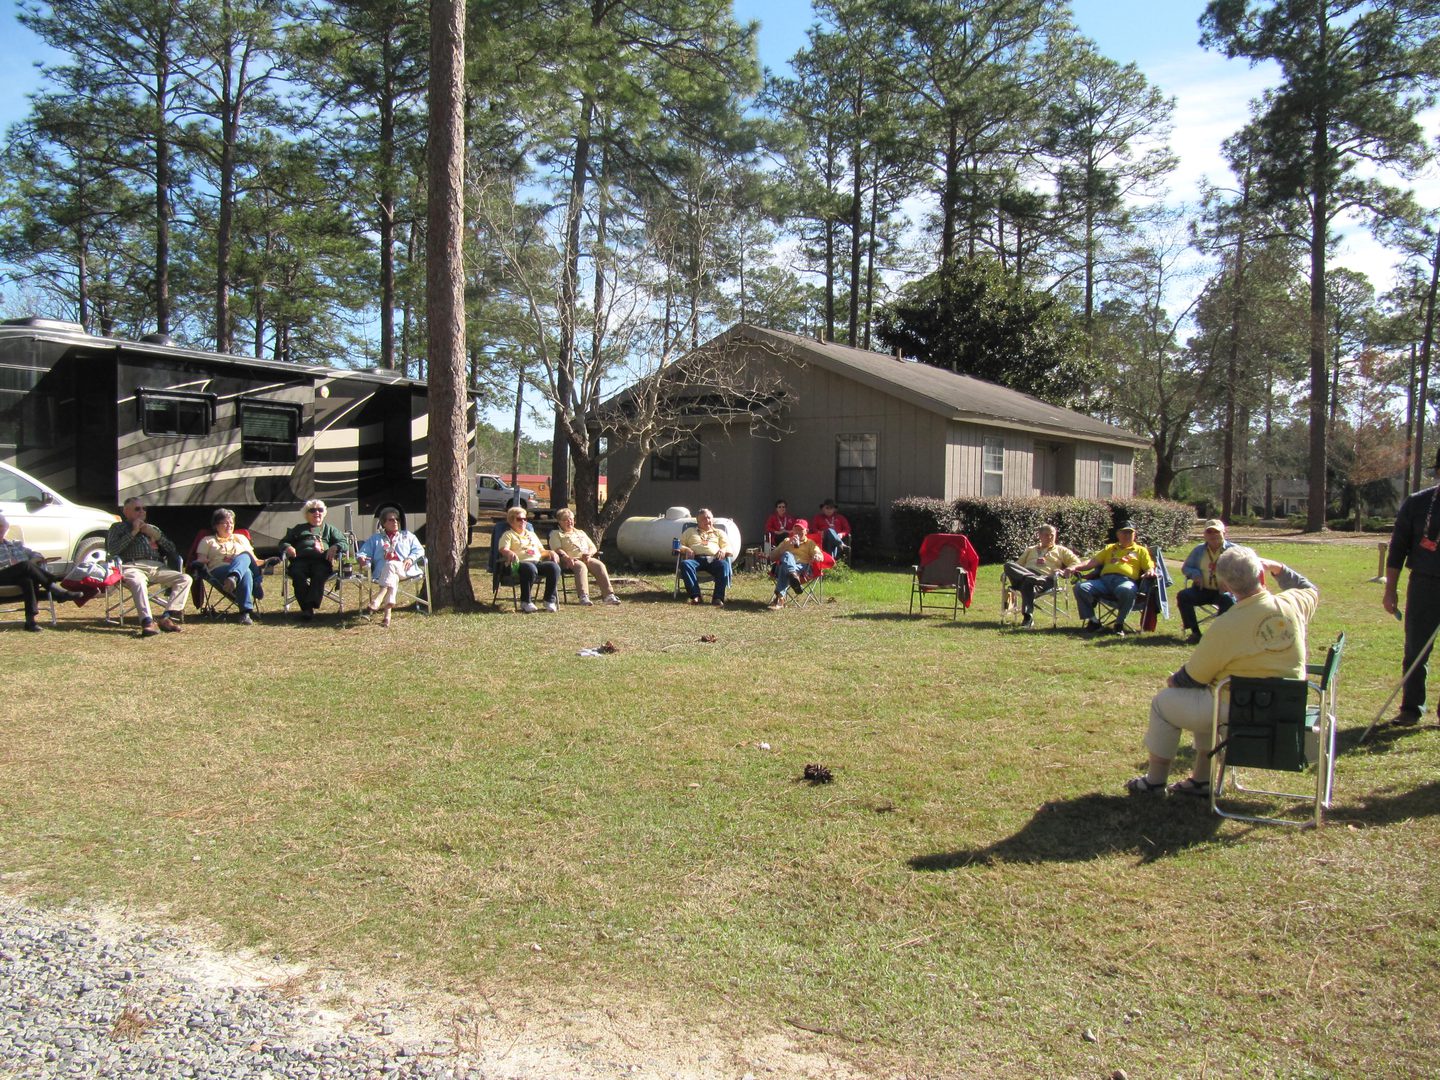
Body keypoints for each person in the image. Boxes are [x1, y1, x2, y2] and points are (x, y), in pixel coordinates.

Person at [1126, 547, 1318, 797]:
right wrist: (1278, 568)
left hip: (1241, 711)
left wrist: (1173, 680)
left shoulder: (1227, 624)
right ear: (1260, 575)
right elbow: (1310, 588)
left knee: (1165, 703)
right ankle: (1202, 779)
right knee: (1208, 696)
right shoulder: (1292, 603)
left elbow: (1193, 678)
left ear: (1224, 584)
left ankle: (1155, 780)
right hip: (1286, 711)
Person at [1383, 445, 1440, 725]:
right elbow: (1398, 549)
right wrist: (1390, 589)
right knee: (1416, 648)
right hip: (1424, 584)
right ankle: (1411, 707)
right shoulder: (1418, 503)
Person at [106, 496, 191, 636]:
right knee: (138, 581)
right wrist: (133, 532)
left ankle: (166, 618)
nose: (142, 512)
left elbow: (171, 549)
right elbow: (113, 550)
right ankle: (147, 622)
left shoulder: (152, 528)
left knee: (185, 578)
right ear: (126, 512)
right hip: (132, 565)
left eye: (144, 509)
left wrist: (156, 536)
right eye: (137, 509)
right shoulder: (118, 527)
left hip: (157, 566)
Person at [1068, 522, 1155, 636]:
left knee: (1127, 590)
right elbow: (1092, 562)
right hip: (1104, 582)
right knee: (1080, 587)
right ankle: (1094, 621)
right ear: (1118, 534)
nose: (1127, 535)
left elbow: (1149, 566)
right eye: (1124, 532)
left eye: (1130, 532)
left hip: (1125, 581)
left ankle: (1119, 624)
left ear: (1135, 534)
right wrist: (1075, 567)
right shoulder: (1110, 548)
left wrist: (1150, 571)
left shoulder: (1140, 550)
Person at [0, 513, 82, 631]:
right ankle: (57, 590)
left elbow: (37, 555)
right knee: (25, 566)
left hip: (20, 575)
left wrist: (33, 561)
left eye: (1, 527)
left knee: (28, 579)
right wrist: (12, 564)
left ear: (5, 529)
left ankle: (30, 621)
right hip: (2, 576)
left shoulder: (16, 545)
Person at [1003, 524, 1081, 628]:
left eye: (1052, 535)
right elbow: (1017, 565)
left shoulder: (1061, 550)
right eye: (1046, 535)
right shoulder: (1031, 549)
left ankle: (1028, 618)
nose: (1050, 538)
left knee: (1027, 583)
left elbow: (1077, 563)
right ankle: (1031, 578)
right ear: (1039, 535)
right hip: (1026, 575)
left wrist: (1065, 570)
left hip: (1046, 579)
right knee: (1008, 565)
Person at [280, 499, 347, 621]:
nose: (317, 513)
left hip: (321, 561)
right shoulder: (299, 529)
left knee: (319, 573)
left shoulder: (329, 529)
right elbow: (283, 542)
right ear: (307, 514)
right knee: (297, 574)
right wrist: (288, 547)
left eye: (320, 510)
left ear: (324, 512)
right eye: (312, 510)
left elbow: (344, 542)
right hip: (300, 561)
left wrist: (335, 546)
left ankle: (308, 607)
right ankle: (308, 608)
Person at [357, 509, 425, 627]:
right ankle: (387, 617)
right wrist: (362, 558)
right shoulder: (376, 539)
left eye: (397, 519)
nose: (395, 522)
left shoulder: (407, 536)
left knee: (390, 564)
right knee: (391, 574)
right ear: (383, 523)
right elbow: (362, 552)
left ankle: (378, 598)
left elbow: (419, 550)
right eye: (391, 519)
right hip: (383, 573)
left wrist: (410, 558)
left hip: (405, 569)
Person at [194, 508, 260, 625]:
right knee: (246, 571)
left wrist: (269, 561)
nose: (229, 525)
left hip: (242, 568)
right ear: (216, 525)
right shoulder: (208, 540)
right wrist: (200, 562)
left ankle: (234, 577)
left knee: (245, 557)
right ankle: (245, 613)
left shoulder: (241, 538)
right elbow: (201, 558)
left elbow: (254, 560)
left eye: (231, 522)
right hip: (218, 570)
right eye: (225, 522)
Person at [1177, 519, 1235, 644]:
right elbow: (1186, 568)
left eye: (1216, 532)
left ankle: (1216, 635)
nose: (1213, 535)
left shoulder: (1234, 551)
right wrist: (1195, 575)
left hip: (1224, 592)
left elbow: (1246, 571)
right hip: (1202, 590)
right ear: (1204, 535)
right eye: (1209, 532)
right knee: (1183, 595)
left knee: (1228, 600)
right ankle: (1195, 633)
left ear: (1224, 533)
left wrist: (1230, 582)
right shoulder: (1199, 550)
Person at [549, 508, 621, 606]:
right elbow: (557, 549)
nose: (569, 522)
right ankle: (583, 596)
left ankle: (608, 595)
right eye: (566, 520)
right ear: (559, 521)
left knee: (599, 565)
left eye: (571, 519)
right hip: (568, 560)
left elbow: (593, 547)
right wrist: (566, 557)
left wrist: (589, 554)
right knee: (581, 566)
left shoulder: (580, 532)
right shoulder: (556, 534)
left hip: (586, 558)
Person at [498, 505, 559, 613]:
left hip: (536, 562)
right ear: (512, 521)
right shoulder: (508, 535)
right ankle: (526, 602)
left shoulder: (531, 534)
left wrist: (551, 552)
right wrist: (509, 553)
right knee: (529, 568)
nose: (523, 521)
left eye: (525, 519)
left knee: (553, 567)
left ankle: (549, 601)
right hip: (517, 564)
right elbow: (503, 549)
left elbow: (541, 551)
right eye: (519, 519)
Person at [678, 508, 733, 607]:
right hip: (695, 559)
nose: (707, 520)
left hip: (713, 559)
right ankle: (695, 596)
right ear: (698, 521)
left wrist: (723, 550)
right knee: (685, 564)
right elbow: (678, 545)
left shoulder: (719, 533)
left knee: (723, 565)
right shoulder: (690, 531)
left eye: (709, 518)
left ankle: (717, 598)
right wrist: (686, 549)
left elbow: (728, 546)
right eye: (704, 519)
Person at [767, 518, 821, 609]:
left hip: (802, 568)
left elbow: (819, 555)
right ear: (792, 530)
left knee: (783, 568)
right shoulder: (787, 541)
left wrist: (817, 556)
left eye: (801, 529)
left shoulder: (810, 543)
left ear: (806, 531)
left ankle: (780, 598)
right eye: (796, 529)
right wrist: (788, 545)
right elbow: (772, 557)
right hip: (790, 569)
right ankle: (792, 575)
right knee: (787, 555)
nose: (798, 531)